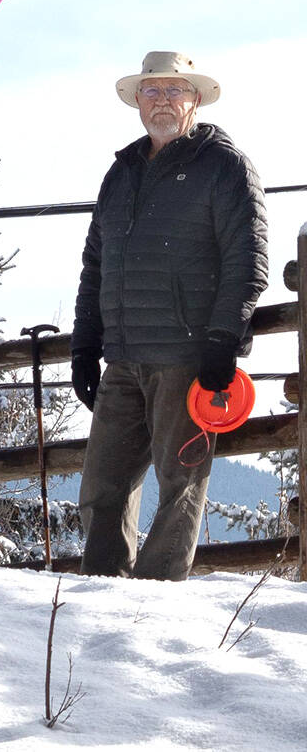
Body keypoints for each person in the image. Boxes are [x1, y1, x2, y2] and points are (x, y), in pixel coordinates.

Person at [71, 52, 268, 581]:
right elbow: (96, 266)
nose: (162, 101)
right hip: (123, 359)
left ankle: (156, 602)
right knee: (101, 489)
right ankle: (103, 588)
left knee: (180, 486)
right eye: (151, 91)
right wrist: (85, 347)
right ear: (137, 101)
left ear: (195, 100)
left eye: (174, 91)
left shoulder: (224, 165)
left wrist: (223, 340)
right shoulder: (120, 172)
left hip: (187, 358)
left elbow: (247, 259)